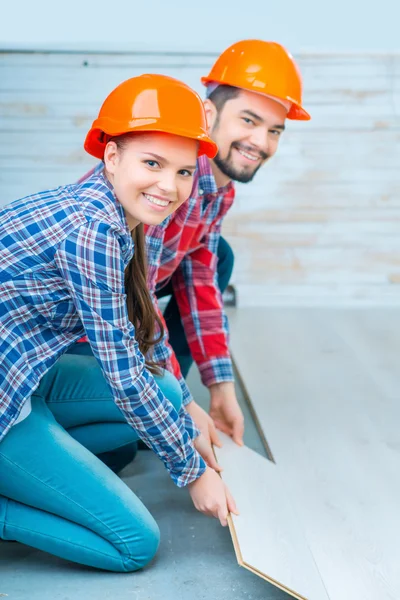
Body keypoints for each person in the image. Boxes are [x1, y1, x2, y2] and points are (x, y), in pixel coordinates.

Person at [0, 73, 237, 573]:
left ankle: (40, 465)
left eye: (183, 172)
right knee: (133, 543)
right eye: (152, 164)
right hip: (5, 399)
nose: (169, 187)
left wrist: (189, 405)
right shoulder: (94, 231)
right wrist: (193, 473)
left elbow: (138, 333)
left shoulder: (121, 214)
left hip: (27, 371)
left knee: (170, 397)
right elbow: (125, 378)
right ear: (111, 158)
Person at [75, 40, 311, 467]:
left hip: (130, 301)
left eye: (275, 130)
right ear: (209, 115)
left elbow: (199, 282)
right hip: (81, 326)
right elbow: (135, 300)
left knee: (218, 258)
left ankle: (161, 388)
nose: (261, 141)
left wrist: (220, 387)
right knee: (118, 450)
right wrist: (180, 404)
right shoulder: (165, 184)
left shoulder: (219, 191)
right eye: (249, 120)